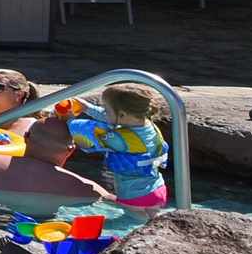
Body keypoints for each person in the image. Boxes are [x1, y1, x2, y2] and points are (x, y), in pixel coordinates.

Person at [67, 81, 174, 216]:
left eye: (106, 109)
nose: (104, 112)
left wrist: (69, 119)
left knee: (135, 226)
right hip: (158, 190)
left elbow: (86, 131)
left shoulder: (119, 139)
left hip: (134, 196)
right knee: (154, 223)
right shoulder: (147, 125)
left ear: (122, 114)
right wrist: (87, 108)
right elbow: (112, 118)